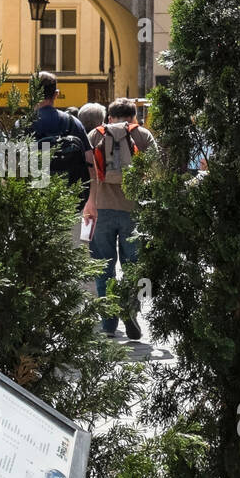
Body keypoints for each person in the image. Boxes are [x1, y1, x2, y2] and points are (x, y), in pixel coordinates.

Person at [84, 98, 156, 338]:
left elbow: (87, 171)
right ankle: (131, 310)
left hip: (101, 209)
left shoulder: (95, 135)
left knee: (104, 267)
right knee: (133, 266)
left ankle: (108, 321)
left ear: (110, 117)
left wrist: (89, 202)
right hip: (133, 211)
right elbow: (156, 170)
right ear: (133, 117)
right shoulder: (143, 136)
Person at [28, 71, 90, 207]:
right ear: (56, 94)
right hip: (70, 203)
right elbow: (90, 161)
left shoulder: (22, 125)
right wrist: (91, 202)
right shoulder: (73, 123)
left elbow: (11, 169)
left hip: (33, 205)